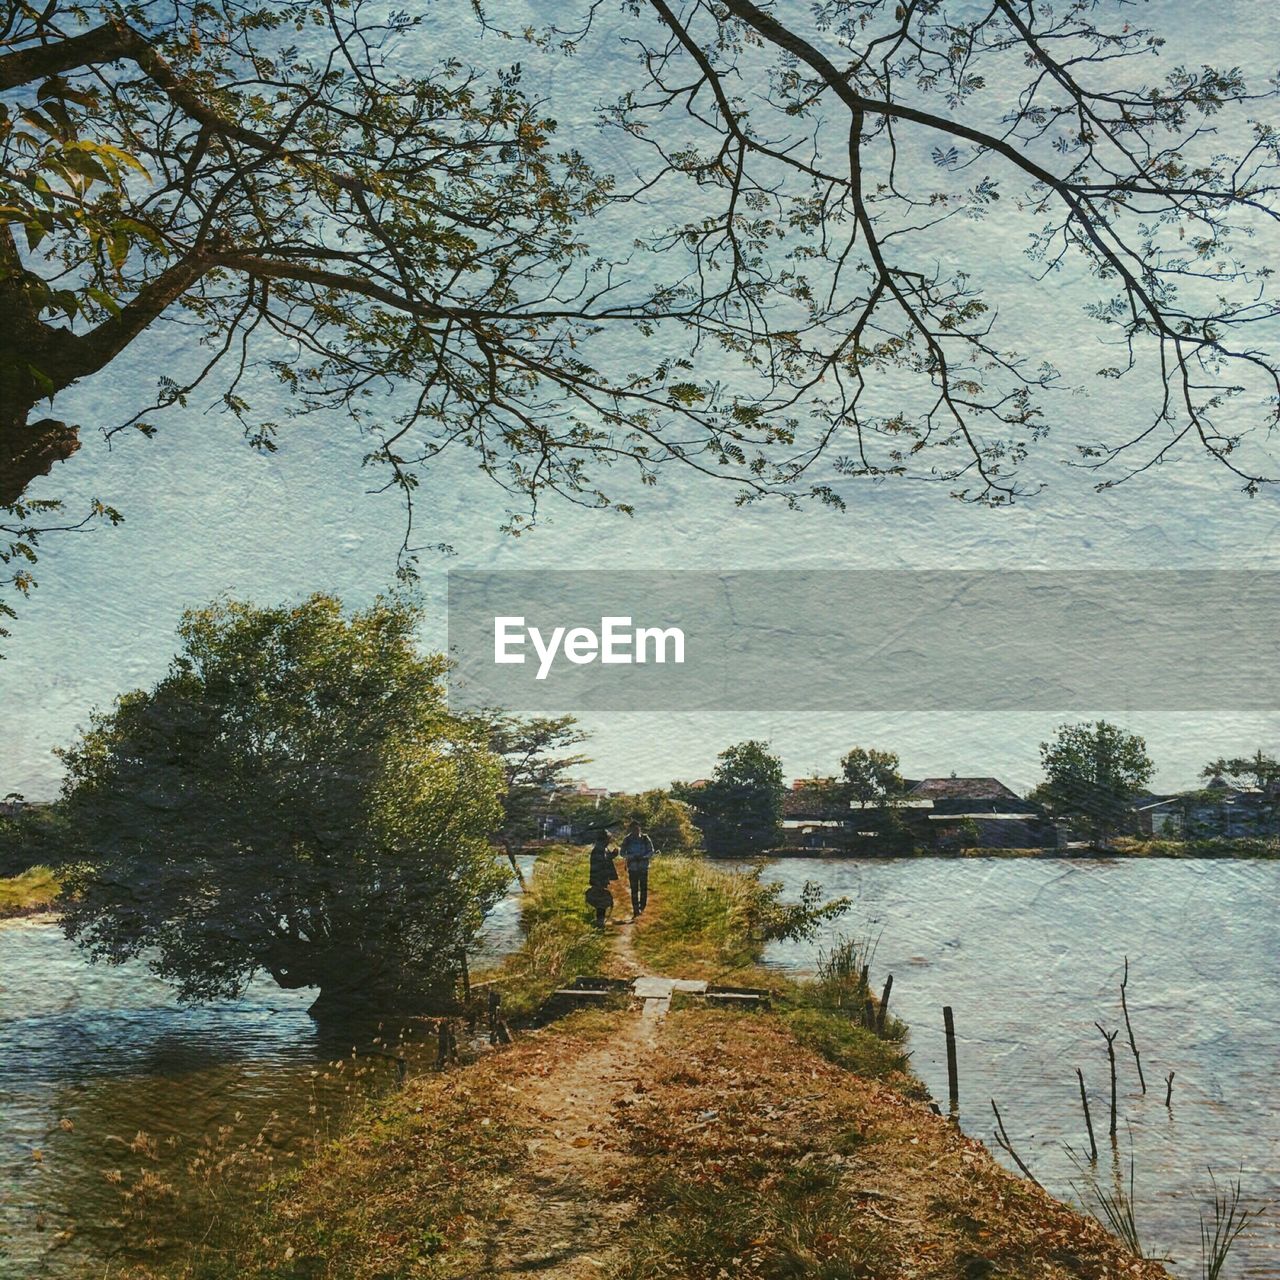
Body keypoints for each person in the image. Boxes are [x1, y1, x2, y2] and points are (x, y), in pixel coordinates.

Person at [619, 818, 655, 918]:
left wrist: (644, 857)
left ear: (639, 828)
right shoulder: (627, 839)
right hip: (633, 868)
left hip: (643, 867)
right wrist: (631, 857)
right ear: (631, 829)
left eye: (637, 828)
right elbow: (622, 853)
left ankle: (642, 907)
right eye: (633, 829)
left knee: (643, 889)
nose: (636, 830)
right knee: (634, 889)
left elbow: (651, 851)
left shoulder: (645, 838)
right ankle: (635, 910)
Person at [585, 829, 618, 929]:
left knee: (601, 900)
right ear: (604, 839)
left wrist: (613, 855)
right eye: (608, 838)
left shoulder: (602, 848)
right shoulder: (599, 849)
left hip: (600, 878)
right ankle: (600, 922)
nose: (609, 840)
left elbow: (606, 859)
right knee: (601, 901)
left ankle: (600, 921)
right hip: (598, 878)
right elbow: (602, 863)